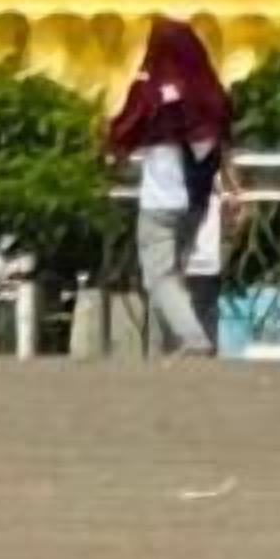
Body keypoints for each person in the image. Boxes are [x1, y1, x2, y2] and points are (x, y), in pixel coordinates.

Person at [106, 18, 233, 358]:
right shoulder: (209, 90)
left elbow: (125, 128)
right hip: (197, 201)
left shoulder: (153, 87)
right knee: (175, 273)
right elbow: (223, 140)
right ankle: (176, 345)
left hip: (160, 200)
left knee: (158, 277)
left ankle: (193, 339)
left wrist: (111, 153)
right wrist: (235, 188)